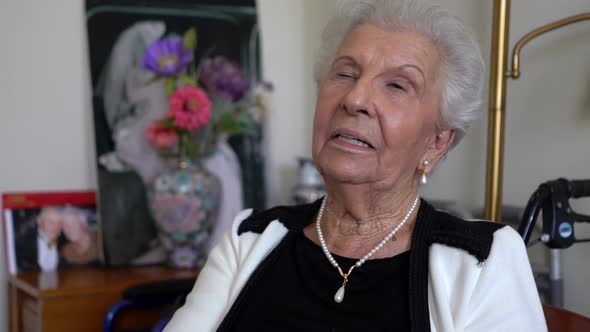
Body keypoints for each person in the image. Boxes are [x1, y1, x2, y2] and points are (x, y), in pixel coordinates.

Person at [164, 0, 547, 331]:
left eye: (397, 85)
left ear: (437, 141)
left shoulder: (480, 260)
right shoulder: (249, 240)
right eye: (345, 73)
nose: (355, 98)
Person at [36, 207, 62, 271]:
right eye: (51, 222)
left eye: (59, 223)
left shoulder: (64, 242)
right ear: (39, 221)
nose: (56, 227)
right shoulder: (24, 244)